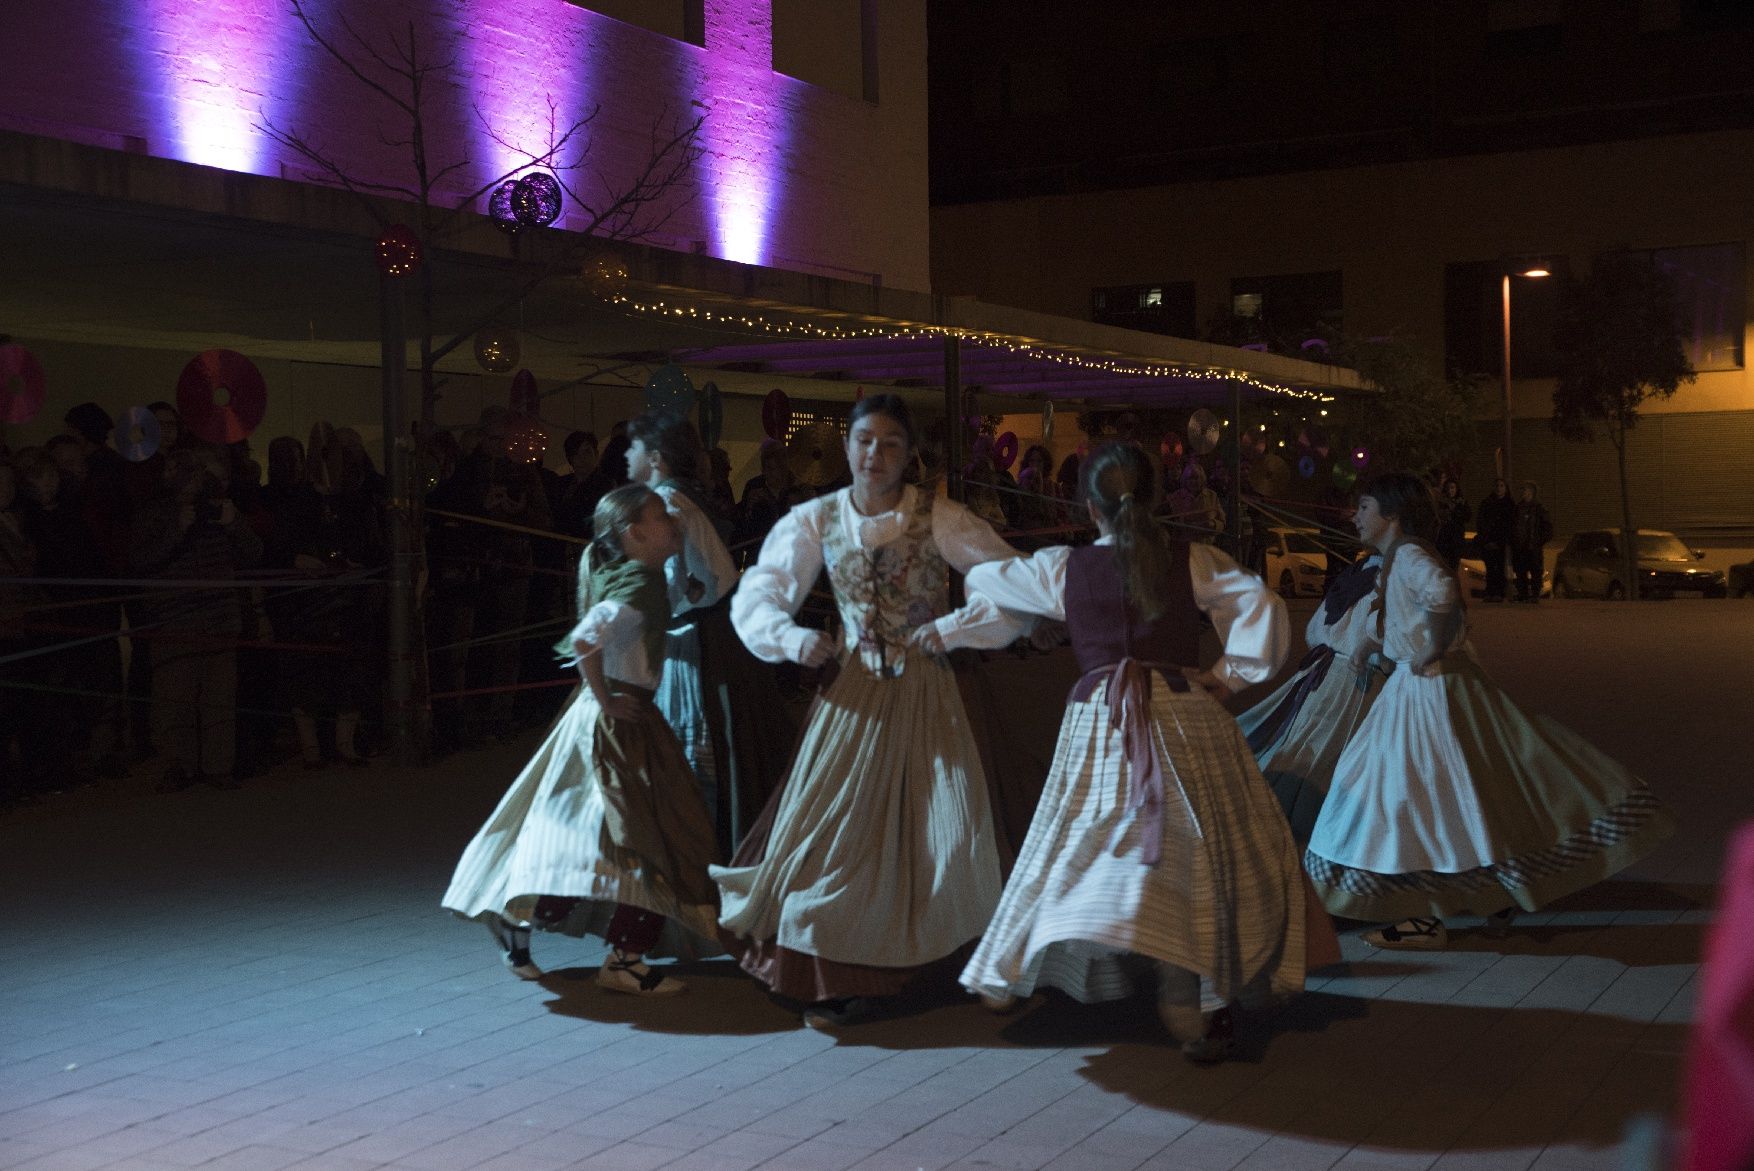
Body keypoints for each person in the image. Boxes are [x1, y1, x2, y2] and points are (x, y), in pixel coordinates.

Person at [952, 441, 1330, 1064]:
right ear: (1154, 499)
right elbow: (1260, 602)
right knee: (1203, 846)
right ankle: (1195, 995)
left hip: (1102, 719)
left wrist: (1045, 616)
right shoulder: (1194, 559)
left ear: (1088, 506)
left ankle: (1026, 955)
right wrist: (1227, 675)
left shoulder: (1061, 568)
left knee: (1080, 838)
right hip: (1183, 710)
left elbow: (988, 579)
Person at [718, 394, 1026, 1029]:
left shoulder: (937, 516)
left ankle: (931, 959)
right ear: (847, 447)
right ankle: (835, 967)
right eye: (863, 441)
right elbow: (764, 588)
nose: (874, 455)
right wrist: (793, 639)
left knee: (938, 825)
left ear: (908, 453)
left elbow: (1011, 580)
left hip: (928, 689)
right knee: (835, 829)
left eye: (889, 443)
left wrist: (960, 626)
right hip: (853, 690)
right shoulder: (816, 518)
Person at [1305, 473, 1675, 950]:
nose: (1355, 516)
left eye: (1364, 507)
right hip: (1418, 690)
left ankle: (1424, 914)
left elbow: (1442, 594)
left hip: (1428, 694)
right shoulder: (1398, 557)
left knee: (1408, 796)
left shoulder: (1412, 555)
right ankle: (1487, 894)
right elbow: (1404, 614)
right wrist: (1372, 645)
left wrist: (1432, 648)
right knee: (1455, 795)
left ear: (1392, 515)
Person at [442, 485, 721, 994]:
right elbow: (586, 637)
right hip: (619, 723)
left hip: (610, 718)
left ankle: (526, 919)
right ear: (635, 533)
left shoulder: (639, 576)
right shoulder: (640, 579)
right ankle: (622, 958)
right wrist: (610, 699)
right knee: (652, 835)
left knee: (599, 843)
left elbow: (625, 625)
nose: (674, 522)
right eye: (663, 516)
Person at [1236, 543, 1387, 846]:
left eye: (1365, 506)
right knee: (1304, 754)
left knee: (1319, 762)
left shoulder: (1395, 571)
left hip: (1354, 684)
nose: (1355, 516)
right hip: (1332, 678)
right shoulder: (1365, 567)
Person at [130, 447, 263, 791]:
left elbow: (253, 554)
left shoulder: (221, 509)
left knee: (219, 699)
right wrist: (178, 527)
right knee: (175, 701)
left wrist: (234, 524)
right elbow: (141, 559)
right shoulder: (155, 510)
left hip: (220, 616)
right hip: (174, 618)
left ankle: (218, 767)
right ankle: (177, 766)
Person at [1510, 480, 1554, 603]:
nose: (1522, 492)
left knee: (1535, 571)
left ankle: (1535, 594)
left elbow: (1548, 528)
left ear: (1531, 492)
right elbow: (1513, 526)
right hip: (1520, 547)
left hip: (1533, 547)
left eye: (1524, 489)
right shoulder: (1518, 508)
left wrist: (1538, 541)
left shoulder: (1539, 509)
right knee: (1520, 570)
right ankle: (1522, 593)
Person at [1474, 477, 1513, 602]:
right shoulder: (1487, 503)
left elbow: (1510, 525)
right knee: (1490, 568)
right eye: (1497, 486)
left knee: (1500, 567)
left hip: (1501, 542)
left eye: (1502, 486)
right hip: (1488, 542)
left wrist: (1502, 541)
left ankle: (1499, 593)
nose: (1499, 488)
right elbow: (1481, 523)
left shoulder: (1509, 504)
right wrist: (1486, 540)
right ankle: (1490, 592)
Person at [1434, 477, 1470, 570]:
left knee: (1454, 567)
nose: (1450, 490)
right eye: (1448, 488)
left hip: (1456, 540)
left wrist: (1455, 510)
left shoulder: (1461, 503)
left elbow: (1467, 517)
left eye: (1452, 488)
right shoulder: (1440, 503)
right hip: (1443, 540)